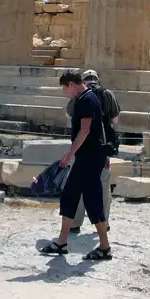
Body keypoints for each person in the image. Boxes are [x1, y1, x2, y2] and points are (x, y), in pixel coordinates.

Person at [39, 71, 112, 260]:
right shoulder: (85, 99)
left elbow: (86, 130)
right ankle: (61, 241)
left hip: (89, 158)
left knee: (93, 200)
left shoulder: (87, 100)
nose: (65, 92)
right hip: (85, 158)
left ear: (71, 84)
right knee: (70, 195)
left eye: (65, 88)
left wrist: (69, 154)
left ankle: (104, 246)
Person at [69, 70, 120, 234]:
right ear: (97, 80)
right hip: (101, 147)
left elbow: (69, 115)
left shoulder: (79, 96)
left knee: (79, 184)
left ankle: (75, 223)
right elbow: (115, 120)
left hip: (82, 147)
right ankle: (103, 222)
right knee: (103, 185)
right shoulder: (107, 94)